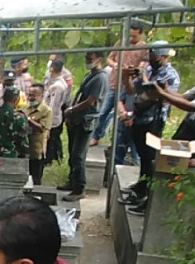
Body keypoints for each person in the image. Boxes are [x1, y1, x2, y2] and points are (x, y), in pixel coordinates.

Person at [118, 40, 181, 214]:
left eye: (154, 55)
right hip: (139, 118)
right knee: (142, 155)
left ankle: (146, 194)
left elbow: (156, 95)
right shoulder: (148, 70)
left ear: (164, 56)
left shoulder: (170, 75)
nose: (151, 58)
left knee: (149, 158)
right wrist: (127, 77)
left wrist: (144, 78)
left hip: (153, 121)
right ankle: (140, 186)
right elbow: (133, 91)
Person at [91, 18, 150, 150]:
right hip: (114, 82)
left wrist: (132, 70)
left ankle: (116, 141)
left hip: (129, 86)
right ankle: (96, 136)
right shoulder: (121, 43)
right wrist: (116, 65)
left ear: (140, 34)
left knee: (124, 115)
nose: (131, 38)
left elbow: (143, 65)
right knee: (103, 111)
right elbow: (109, 59)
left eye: (134, 36)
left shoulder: (144, 48)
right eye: (129, 35)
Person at [59, 51, 110, 202]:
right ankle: (72, 180)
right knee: (72, 152)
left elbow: (90, 101)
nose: (87, 61)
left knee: (78, 155)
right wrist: (71, 111)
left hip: (86, 120)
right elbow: (80, 95)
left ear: (99, 59)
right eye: (86, 58)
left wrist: (72, 109)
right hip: (77, 118)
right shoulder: (89, 75)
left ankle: (79, 188)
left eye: (90, 59)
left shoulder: (100, 78)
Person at [23, 83, 53, 186]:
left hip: (37, 150)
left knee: (35, 180)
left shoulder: (46, 111)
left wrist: (28, 120)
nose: (31, 98)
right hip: (25, 148)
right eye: (29, 95)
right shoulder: (25, 108)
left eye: (34, 95)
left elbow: (42, 128)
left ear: (41, 96)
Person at [43, 59, 71, 165]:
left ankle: (50, 159)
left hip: (54, 117)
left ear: (52, 68)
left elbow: (53, 105)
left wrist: (47, 119)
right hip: (55, 115)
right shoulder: (59, 83)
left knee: (52, 139)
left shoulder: (57, 86)